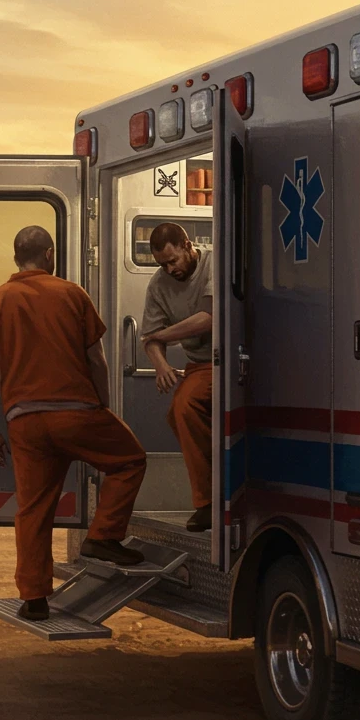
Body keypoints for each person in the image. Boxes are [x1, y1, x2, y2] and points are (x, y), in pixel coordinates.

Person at [0, 227, 147, 622]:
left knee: (34, 508)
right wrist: (103, 408)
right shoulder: (72, 294)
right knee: (130, 460)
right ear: (49, 254)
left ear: (17, 257)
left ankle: (34, 598)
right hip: (77, 414)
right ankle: (103, 537)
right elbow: (97, 359)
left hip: (25, 422)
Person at [140, 222, 214, 532]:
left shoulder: (214, 263)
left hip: (225, 361)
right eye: (162, 264)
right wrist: (160, 365)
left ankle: (208, 502)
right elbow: (149, 339)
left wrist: (164, 336)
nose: (170, 269)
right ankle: (225, 483)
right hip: (200, 365)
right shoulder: (158, 286)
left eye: (173, 260)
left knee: (185, 407)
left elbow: (210, 318)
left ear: (187, 245)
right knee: (177, 415)